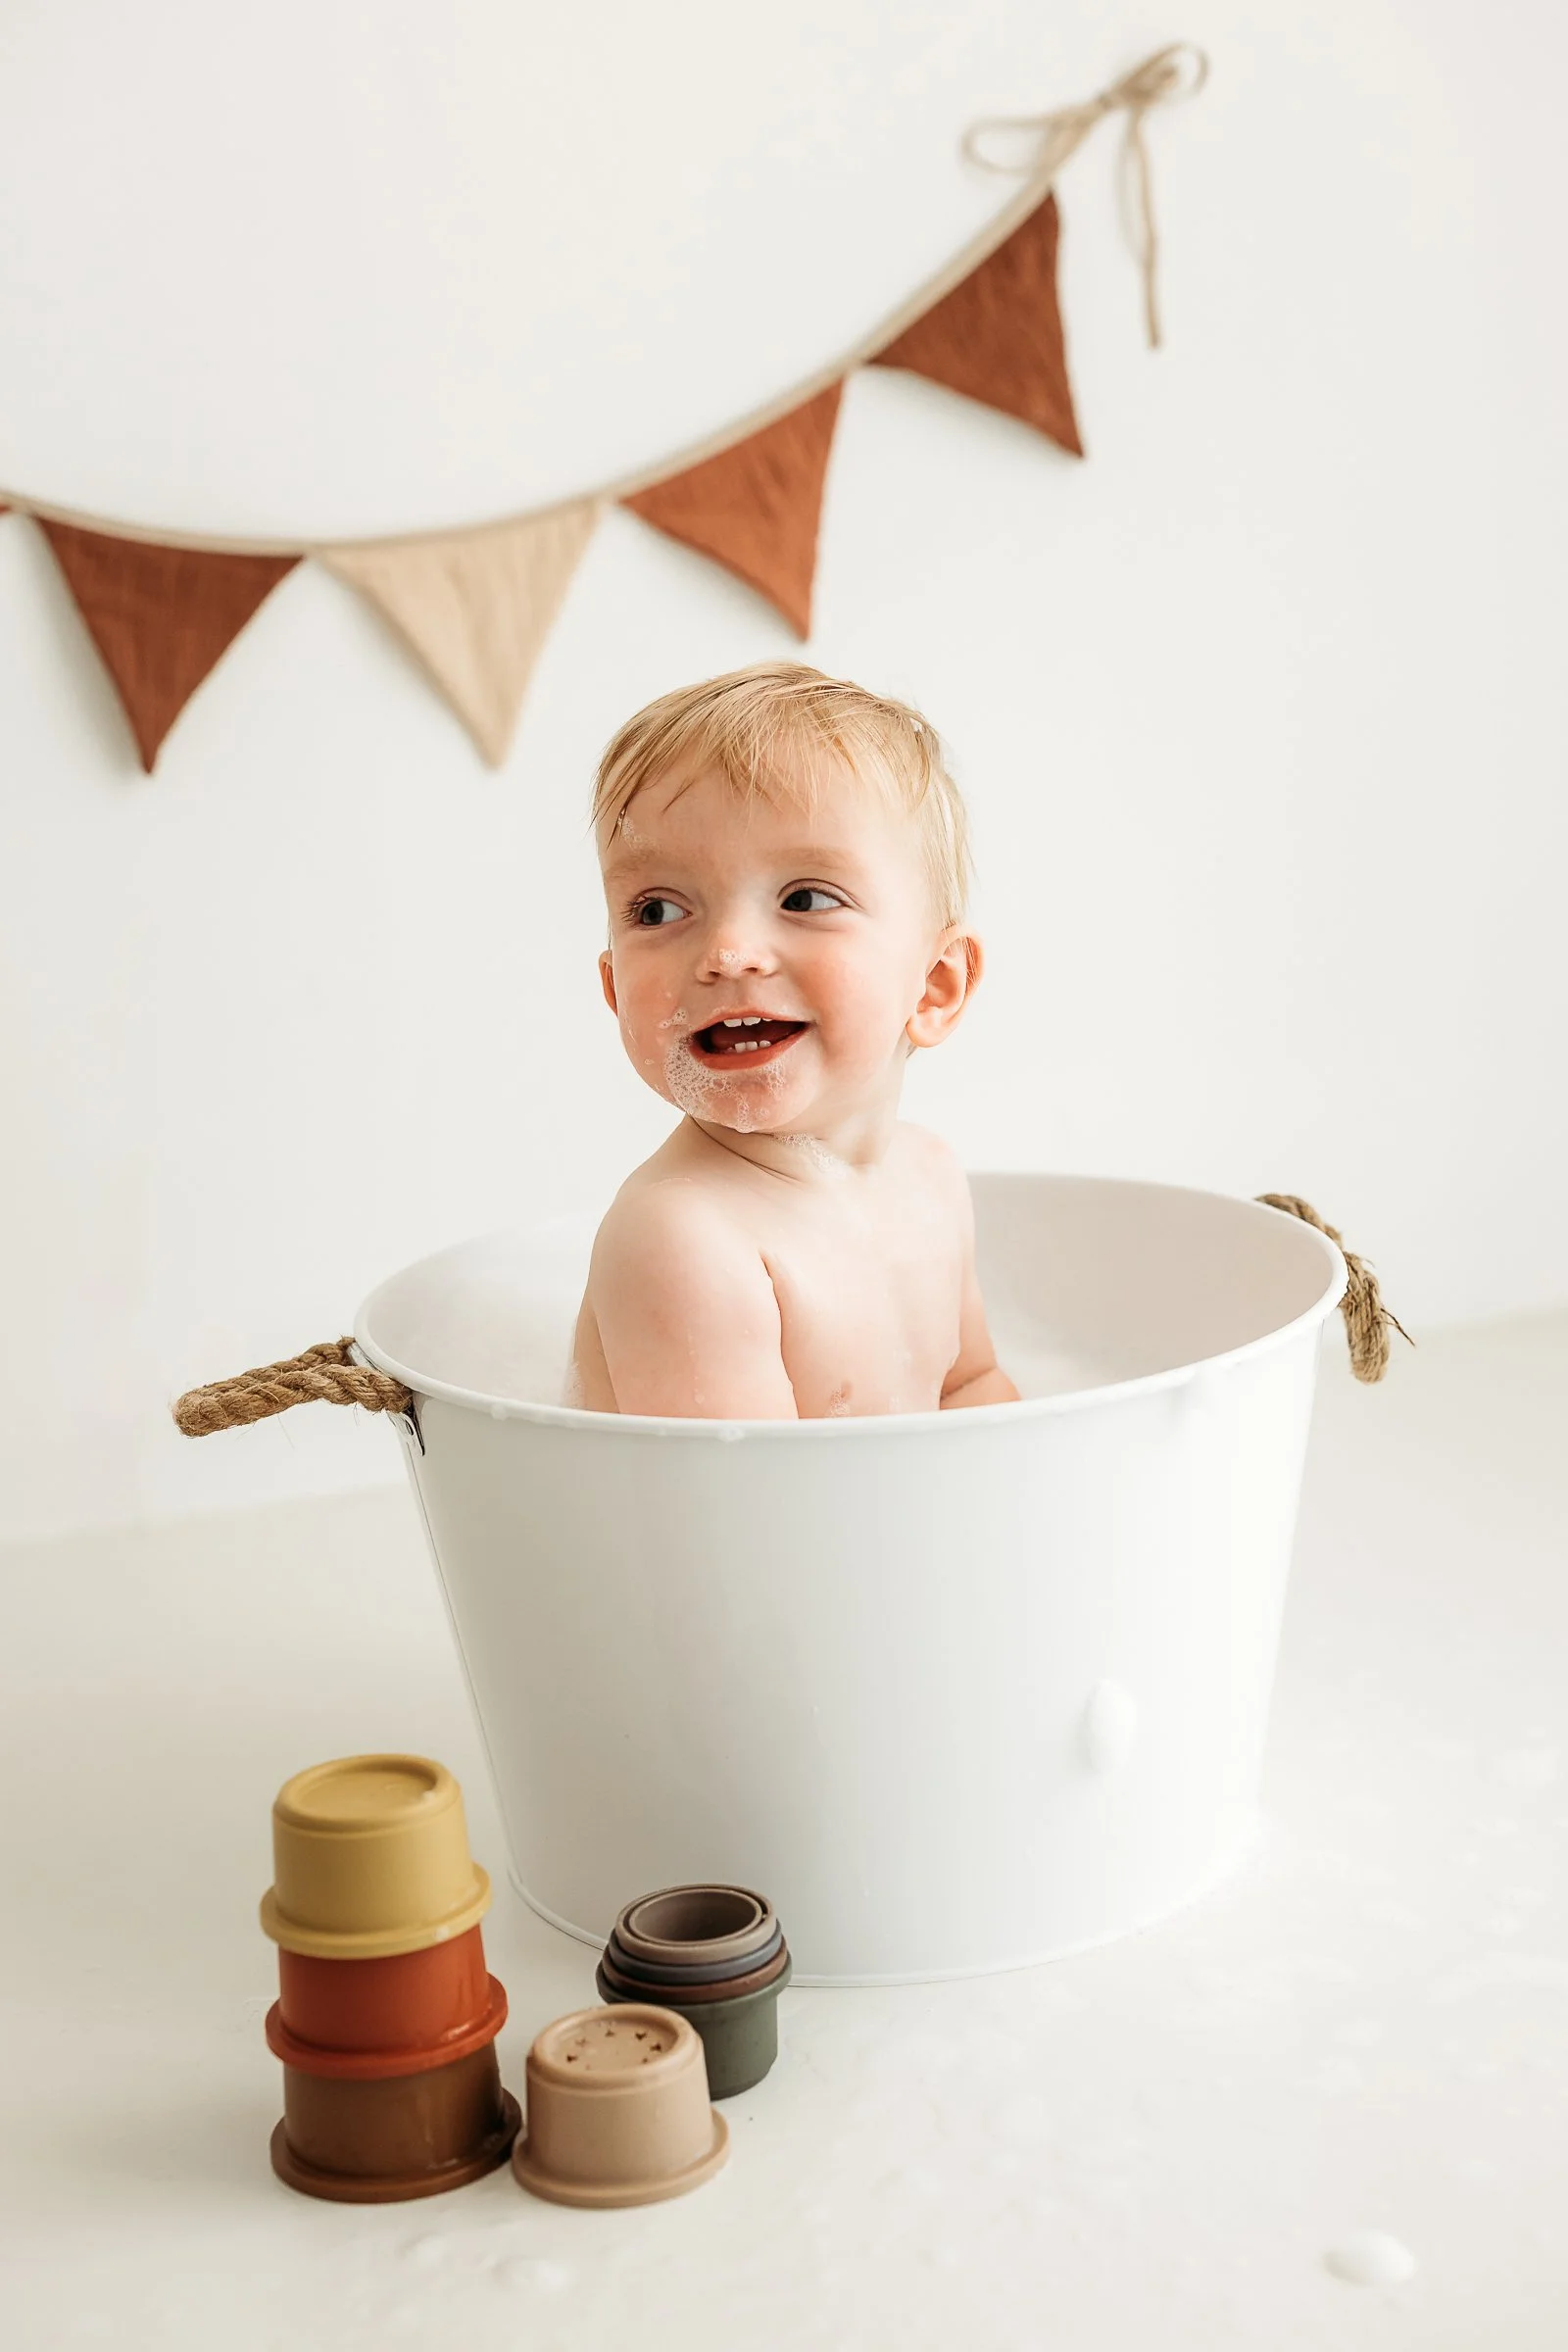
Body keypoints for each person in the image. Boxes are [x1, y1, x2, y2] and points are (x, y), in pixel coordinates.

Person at [566, 661, 1019, 1418]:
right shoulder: (682, 1238)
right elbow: (746, 1494)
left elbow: (970, 1387)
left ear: (934, 986)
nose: (728, 952)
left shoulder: (931, 1179)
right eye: (657, 910)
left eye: (805, 898)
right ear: (615, 991)